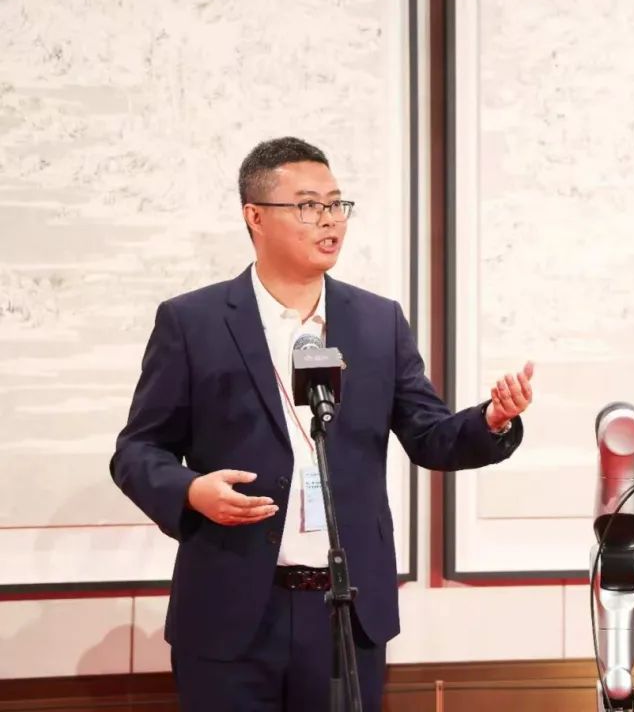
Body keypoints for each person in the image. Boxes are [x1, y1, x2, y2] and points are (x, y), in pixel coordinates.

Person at [110, 136, 533, 711]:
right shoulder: (193, 322)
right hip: (230, 610)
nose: (330, 220)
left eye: (337, 204)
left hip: (346, 611)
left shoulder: (377, 322)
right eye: (309, 206)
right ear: (255, 216)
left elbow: (430, 436)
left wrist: (492, 420)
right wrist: (189, 491)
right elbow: (138, 451)